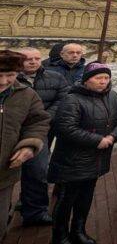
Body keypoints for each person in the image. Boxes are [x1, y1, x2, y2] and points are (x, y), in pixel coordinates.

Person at [48, 62, 117, 244]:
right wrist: (97, 140)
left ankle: (78, 231)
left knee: (86, 196)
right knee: (67, 198)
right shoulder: (72, 99)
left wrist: (112, 137)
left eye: (106, 78)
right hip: (73, 159)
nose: (103, 81)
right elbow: (65, 128)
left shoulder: (112, 96)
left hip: (96, 159)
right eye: (98, 78)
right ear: (86, 80)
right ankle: (59, 235)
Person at [15, 47, 69, 227]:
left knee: (37, 171)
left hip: (38, 131)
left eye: (37, 58)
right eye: (28, 59)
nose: (33, 62)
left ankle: (35, 211)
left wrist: (43, 118)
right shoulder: (8, 77)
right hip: (10, 130)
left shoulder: (55, 78)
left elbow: (62, 100)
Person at [0, 51, 50, 242]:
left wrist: (29, 145)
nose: (4, 81)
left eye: (10, 75)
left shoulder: (27, 95)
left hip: (5, 172)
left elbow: (37, 122)